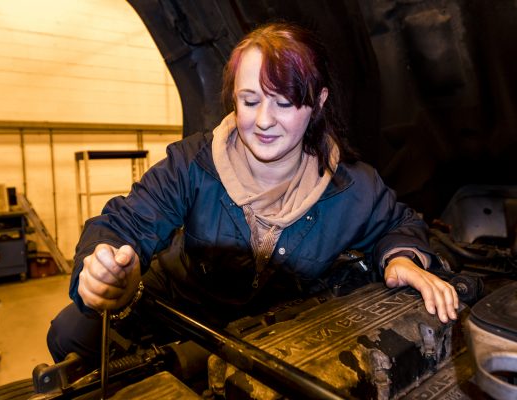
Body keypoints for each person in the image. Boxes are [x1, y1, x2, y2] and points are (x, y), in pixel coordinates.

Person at [47, 21, 459, 369]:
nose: (263, 120)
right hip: (179, 311)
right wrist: (104, 267)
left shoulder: (353, 185)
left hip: (271, 332)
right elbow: (122, 223)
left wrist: (402, 258)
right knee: (72, 332)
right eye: (250, 100)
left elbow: (401, 223)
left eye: (284, 102)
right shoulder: (192, 162)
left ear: (317, 103)